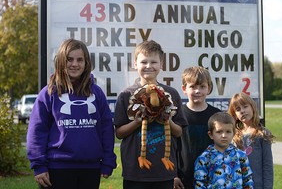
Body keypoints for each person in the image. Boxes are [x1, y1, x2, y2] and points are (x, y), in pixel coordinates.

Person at [26, 38, 117, 189]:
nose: (75, 64)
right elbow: (37, 130)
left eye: (80, 60)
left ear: (86, 63)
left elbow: (106, 129)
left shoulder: (97, 93)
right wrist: (39, 165)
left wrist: (108, 160)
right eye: (69, 59)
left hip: (90, 169)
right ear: (61, 61)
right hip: (56, 168)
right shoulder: (49, 93)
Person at [114, 40, 187, 189]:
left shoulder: (171, 94)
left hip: (164, 170)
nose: (148, 66)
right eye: (143, 62)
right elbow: (119, 133)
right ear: (135, 64)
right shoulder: (126, 94)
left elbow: (179, 132)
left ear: (162, 64)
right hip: (135, 171)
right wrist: (137, 121)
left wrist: (167, 120)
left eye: (153, 62)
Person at [174, 66, 221, 189]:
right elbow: (171, 147)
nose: (197, 91)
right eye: (192, 86)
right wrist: (173, 175)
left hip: (212, 176)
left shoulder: (217, 115)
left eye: (202, 87)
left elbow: (223, 146)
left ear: (209, 88)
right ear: (184, 89)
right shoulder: (178, 115)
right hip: (183, 178)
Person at [194, 112, 254, 188]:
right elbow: (200, 183)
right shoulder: (204, 158)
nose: (224, 135)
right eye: (219, 132)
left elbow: (247, 180)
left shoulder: (241, 155)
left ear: (234, 133)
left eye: (228, 132)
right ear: (211, 135)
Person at [228, 92, 275, 189]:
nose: (242, 111)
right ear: (235, 115)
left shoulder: (262, 134)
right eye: (238, 109)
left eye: (245, 106)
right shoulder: (234, 137)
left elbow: (267, 167)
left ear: (252, 107)